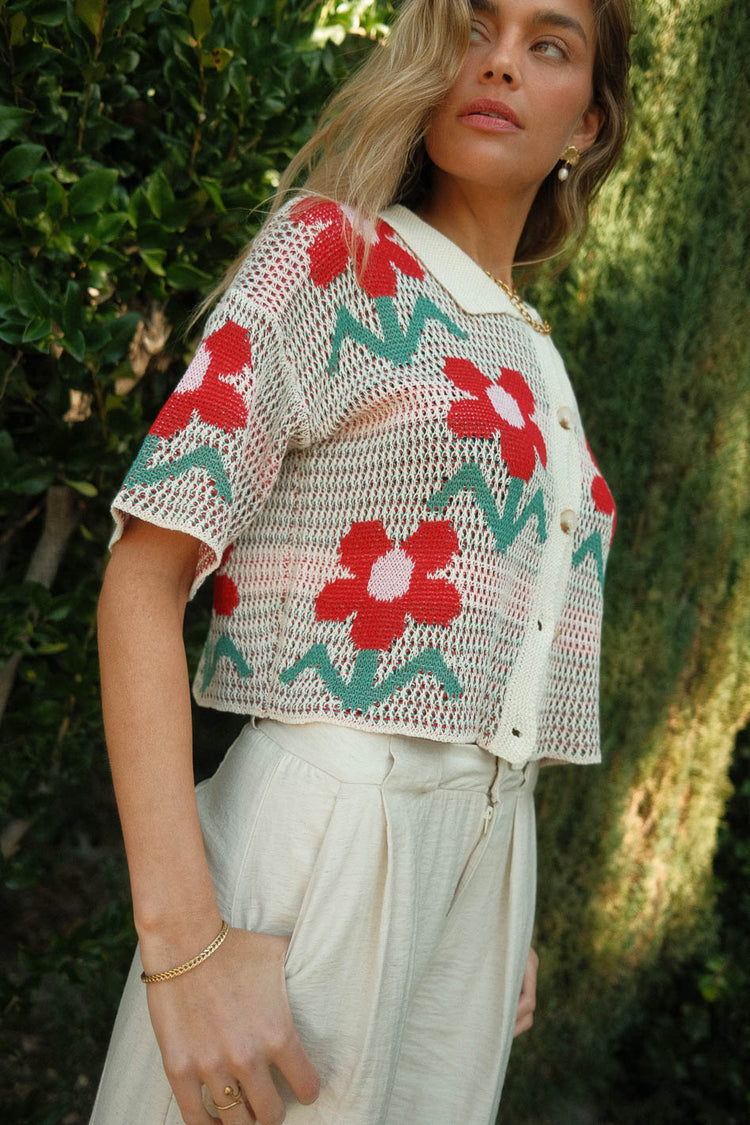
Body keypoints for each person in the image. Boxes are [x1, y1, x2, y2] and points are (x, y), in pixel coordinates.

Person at [91, 0, 633, 1121]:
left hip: (480, 879)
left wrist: (482, 879)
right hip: (328, 844)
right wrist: (183, 946)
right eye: (473, 28)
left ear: (589, 122)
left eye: (549, 44)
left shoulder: (537, 353)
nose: (497, 64)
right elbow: (142, 581)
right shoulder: (333, 255)